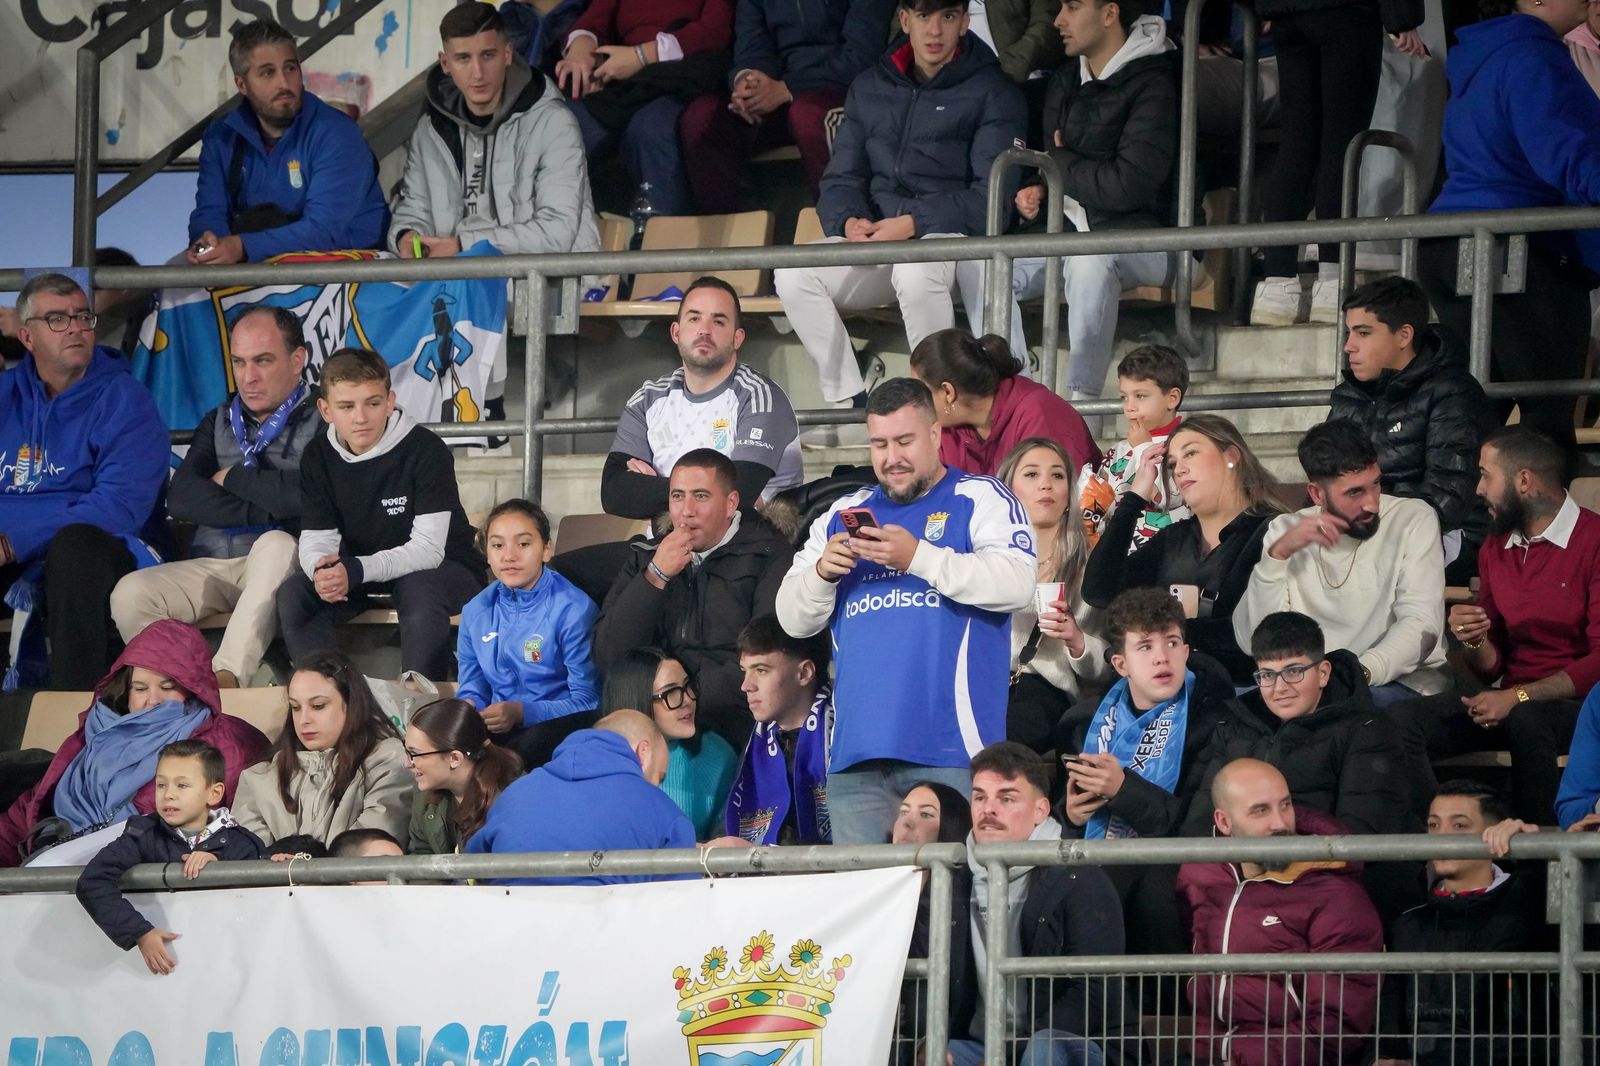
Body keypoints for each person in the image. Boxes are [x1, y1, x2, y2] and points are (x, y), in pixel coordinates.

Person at [776, 377, 1036, 843]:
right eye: (879, 443)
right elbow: (792, 620)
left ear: (936, 435)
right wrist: (822, 574)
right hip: (855, 758)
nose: (891, 457)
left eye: (904, 441)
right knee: (866, 905)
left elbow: (1018, 585)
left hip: (953, 753)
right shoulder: (841, 513)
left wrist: (918, 557)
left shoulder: (981, 497)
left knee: (951, 902)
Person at [772, 0, 1026, 415]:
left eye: (947, 17)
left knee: (914, 268)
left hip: (955, 243)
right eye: (924, 17)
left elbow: (990, 202)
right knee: (794, 272)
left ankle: (940, 401)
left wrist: (913, 223)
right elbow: (840, 179)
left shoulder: (993, 89)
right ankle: (851, 400)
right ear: (905, 19)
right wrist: (849, 220)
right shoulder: (871, 85)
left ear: (964, 21)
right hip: (883, 236)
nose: (935, 31)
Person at [1417, 0, 1600, 452]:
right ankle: (1530, 522)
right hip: (1513, 251)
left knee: (1479, 418)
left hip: (1456, 241)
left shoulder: (1492, 52)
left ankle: (1465, 519)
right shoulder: (1530, 56)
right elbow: (1566, 154)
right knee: (1544, 423)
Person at [110, 306, 319, 690]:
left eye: (263, 361)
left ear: (298, 359)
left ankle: (226, 682)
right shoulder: (220, 419)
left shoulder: (324, 416)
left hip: (287, 564)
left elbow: (314, 497)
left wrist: (233, 478)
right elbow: (184, 499)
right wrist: (273, 502)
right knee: (131, 594)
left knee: (275, 542)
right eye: (239, 362)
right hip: (216, 563)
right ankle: (184, 688)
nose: (248, 377)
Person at [990, 0, 1185, 405]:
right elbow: (1058, 168)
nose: (1059, 20)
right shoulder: (1064, 79)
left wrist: (1060, 165)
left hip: (1153, 238)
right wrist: (1040, 186)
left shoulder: (1157, 80)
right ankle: (1017, 398)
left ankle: (1082, 410)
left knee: (1088, 259)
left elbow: (1127, 186)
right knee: (989, 268)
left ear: (1110, 14)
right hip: (1068, 233)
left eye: (1073, 7)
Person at [274, 348, 486, 680]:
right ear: (325, 410)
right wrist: (323, 569)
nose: (361, 417)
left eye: (372, 403)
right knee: (296, 593)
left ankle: (420, 713)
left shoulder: (426, 449)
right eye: (347, 406)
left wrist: (355, 570)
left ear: (390, 401)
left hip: (446, 568)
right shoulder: (317, 455)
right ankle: (333, 700)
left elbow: (428, 551)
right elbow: (317, 536)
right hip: (361, 572)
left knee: (419, 589)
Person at [0, 273, 168, 690]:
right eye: (57, 319)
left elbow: (116, 508)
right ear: (27, 336)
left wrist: (14, 541)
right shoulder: (4, 395)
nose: (75, 328)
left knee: (75, 547)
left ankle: (72, 722)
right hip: (14, 550)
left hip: (100, 551)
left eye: (83, 317)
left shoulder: (126, 399)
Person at [1428, 428, 1599, 823]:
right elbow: (1492, 666)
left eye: (1486, 475)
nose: (1477, 488)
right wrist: (1472, 638)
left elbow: (1599, 662)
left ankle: (1535, 862)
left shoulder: (1594, 540)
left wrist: (1517, 697)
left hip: (1578, 708)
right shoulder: (1495, 545)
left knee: (1526, 720)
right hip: (1510, 702)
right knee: (1404, 724)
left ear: (1524, 480)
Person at [1058, 588, 1232, 971]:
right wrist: (1072, 816)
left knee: (1152, 892)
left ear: (1187, 651)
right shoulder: (1085, 726)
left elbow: (1193, 829)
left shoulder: (1216, 722)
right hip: (1102, 863)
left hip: (1171, 868)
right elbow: (1062, 820)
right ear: (1120, 664)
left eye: (1172, 642)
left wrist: (1122, 790)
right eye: (1145, 647)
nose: (1161, 657)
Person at [0, 621, 269, 868]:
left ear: (193, 689)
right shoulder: (95, 736)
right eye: (140, 689)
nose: (152, 701)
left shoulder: (224, 744)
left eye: (167, 687)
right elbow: (21, 817)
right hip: (55, 871)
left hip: (147, 887)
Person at [1178, 759, 1384, 1066]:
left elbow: (1336, 1026)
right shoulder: (1201, 873)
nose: (1281, 823)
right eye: (1261, 810)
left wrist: (1240, 1058)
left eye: (1285, 805)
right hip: (1206, 1055)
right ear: (1223, 823)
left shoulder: (1336, 894)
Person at [1233, 419, 1450, 706]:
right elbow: (1255, 642)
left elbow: (1421, 623)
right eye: (1354, 492)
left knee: (1335, 721)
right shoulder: (1287, 531)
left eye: (1375, 484)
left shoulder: (1412, 518)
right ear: (1317, 494)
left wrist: (1352, 676)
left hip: (1400, 685)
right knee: (1229, 711)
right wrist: (1276, 559)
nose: (1372, 503)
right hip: (1309, 689)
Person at [593, 449, 794, 747]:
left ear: (730, 504)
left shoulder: (769, 557)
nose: (686, 511)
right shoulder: (645, 559)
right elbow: (609, 655)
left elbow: (767, 658)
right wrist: (656, 576)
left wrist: (684, 698)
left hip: (734, 720)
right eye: (677, 497)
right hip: (651, 718)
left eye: (700, 496)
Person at [945, 742, 1124, 1066]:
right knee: (938, 1053)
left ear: (1041, 811)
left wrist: (1016, 1051)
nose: (988, 810)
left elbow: (1096, 991)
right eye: (980, 796)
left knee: (1045, 1047)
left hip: (1074, 1044)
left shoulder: (1079, 877)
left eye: (1007, 798)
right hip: (987, 1046)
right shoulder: (954, 877)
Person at [1246, 0, 1423, 326]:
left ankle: (1277, 286)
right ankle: (1331, 281)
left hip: (1286, 16)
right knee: (1341, 147)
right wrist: (1403, 18)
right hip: (1345, 12)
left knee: (1296, 146)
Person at [1081, 414, 1283, 684]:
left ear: (1231, 456)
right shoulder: (1174, 538)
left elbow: (1248, 632)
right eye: (1173, 464)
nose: (1179, 469)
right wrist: (1135, 497)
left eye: (1191, 453)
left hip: (1241, 694)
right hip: (1166, 694)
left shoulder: (1273, 531)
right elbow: (1098, 592)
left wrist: (1162, 632)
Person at [389, 3, 601, 260]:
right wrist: (408, 235)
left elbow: (557, 232)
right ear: (445, 63)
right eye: (463, 58)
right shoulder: (430, 130)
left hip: (548, 288)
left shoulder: (554, 122)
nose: (477, 73)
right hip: (457, 286)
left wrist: (463, 245)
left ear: (508, 54)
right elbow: (413, 209)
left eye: (488, 55)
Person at [1191, 612, 1417, 835]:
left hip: (1322, 868)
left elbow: (1362, 836)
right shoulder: (1233, 726)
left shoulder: (1367, 732)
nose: (1279, 688)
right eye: (1267, 675)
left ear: (1323, 673)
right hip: (1236, 869)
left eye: (1293, 671)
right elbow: (1199, 822)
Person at [186, 19, 388, 265]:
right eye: (268, 72)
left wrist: (242, 247)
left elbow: (324, 231)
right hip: (260, 262)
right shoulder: (220, 136)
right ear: (242, 84)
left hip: (347, 270)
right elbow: (209, 212)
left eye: (290, 68)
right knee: (178, 279)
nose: (283, 82)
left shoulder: (337, 132)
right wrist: (209, 240)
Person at [1327, 275, 1491, 579]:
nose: (1349, 347)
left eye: (1363, 333)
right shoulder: (1349, 396)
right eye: (1349, 333)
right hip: (1367, 532)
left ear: (1403, 336)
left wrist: (1372, 535)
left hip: (1447, 534)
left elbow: (1449, 493)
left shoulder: (1453, 392)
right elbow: (1324, 476)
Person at [1374, 781, 1546, 1066]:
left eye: (1459, 826)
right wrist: (1384, 1057)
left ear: (1493, 833)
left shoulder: (1524, 908)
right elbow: (1391, 1018)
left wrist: (1531, 849)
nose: (1441, 838)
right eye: (1433, 825)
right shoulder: (1408, 922)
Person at [602, 276, 803, 518]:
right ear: (676, 332)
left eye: (718, 321)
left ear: (737, 338)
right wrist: (702, 492)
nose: (704, 330)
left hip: (747, 546)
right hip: (666, 542)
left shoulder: (760, 397)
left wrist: (653, 489)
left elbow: (739, 495)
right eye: (694, 318)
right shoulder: (646, 399)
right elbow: (613, 494)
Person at [678, 0, 895, 212]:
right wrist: (748, 82)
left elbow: (863, 57)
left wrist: (788, 88)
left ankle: (842, 226)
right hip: (778, 98)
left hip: (842, 91)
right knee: (702, 118)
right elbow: (752, 48)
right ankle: (724, 244)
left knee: (807, 115)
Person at [75, 740, 266, 975]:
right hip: (163, 979)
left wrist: (222, 867)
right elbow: (93, 881)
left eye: (182, 785)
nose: (168, 795)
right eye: (161, 785)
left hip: (224, 970)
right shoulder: (141, 834)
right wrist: (140, 932)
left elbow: (260, 908)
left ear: (214, 793)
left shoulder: (243, 843)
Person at [464, 709, 697, 885]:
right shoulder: (661, 810)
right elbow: (683, 901)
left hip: (511, 936)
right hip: (610, 941)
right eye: (659, 775)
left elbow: (473, 867)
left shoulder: (514, 794)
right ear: (642, 752)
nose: (656, 785)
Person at [554, 0, 736, 217]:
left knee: (650, 129)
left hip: (682, 79)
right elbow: (595, 20)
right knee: (562, 127)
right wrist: (582, 47)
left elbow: (715, 31)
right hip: (622, 83)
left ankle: (659, 233)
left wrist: (642, 55)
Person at [454, 498, 599, 751]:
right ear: (486, 553)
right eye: (498, 545)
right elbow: (473, 686)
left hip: (559, 727)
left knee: (525, 749)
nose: (509, 556)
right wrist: (470, 706)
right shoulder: (475, 612)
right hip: (498, 726)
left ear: (546, 549)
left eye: (523, 544)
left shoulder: (574, 609)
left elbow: (588, 701)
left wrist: (522, 712)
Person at [232, 652, 414, 848]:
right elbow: (250, 864)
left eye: (318, 706)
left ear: (351, 704)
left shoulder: (390, 761)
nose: (304, 720)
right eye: (295, 707)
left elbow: (368, 855)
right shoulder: (260, 777)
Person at [997, 438, 1109, 754]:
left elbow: (1103, 667)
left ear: (1069, 496)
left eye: (1057, 475)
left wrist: (1076, 640)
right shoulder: (986, 557)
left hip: (1044, 688)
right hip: (980, 680)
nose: (1046, 484)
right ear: (1007, 490)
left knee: (1007, 736)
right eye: (1031, 475)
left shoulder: (1090, 566)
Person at [908, 328, 1100, 479]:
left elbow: (1052, 506)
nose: (917, 403)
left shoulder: (1039, 413)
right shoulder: (947, 428)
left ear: (948, 392)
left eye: (922, 391)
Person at [603, 648, 739, 840]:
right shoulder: (601, 761)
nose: (688, 700)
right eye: (671, 693)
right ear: (637, 701)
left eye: (688, 686)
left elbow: (724, 841)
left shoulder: (717, 755)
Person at [725, 616, 835, 846]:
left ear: (804, 673)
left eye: (761, 670)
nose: (746, 685)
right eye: (744, 670)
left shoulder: (843, 733)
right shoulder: (754, 743)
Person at [1077, 344, 1191, 554]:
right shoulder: (1118, 450)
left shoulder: (1187, 445)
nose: (1129, 406)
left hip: (1167, 557)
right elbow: (1101, 507)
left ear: (1172, 398)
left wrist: (1143, 448)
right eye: (1124, 396)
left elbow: (1165, 499)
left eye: (1140, 396)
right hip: (1118, 559)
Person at [895, 779, 977, 1066]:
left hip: (945, 1043)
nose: (908, 822)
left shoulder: (969, 897)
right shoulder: (869, 891)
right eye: (903, 812)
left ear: (951, 826)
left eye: (926, 814)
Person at [404, 698, 524, 856]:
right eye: (406, 751)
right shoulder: (424, 792)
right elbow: (421, 854)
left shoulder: (512, 799)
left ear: (455, 758)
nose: (406, 763)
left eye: (414, 754)